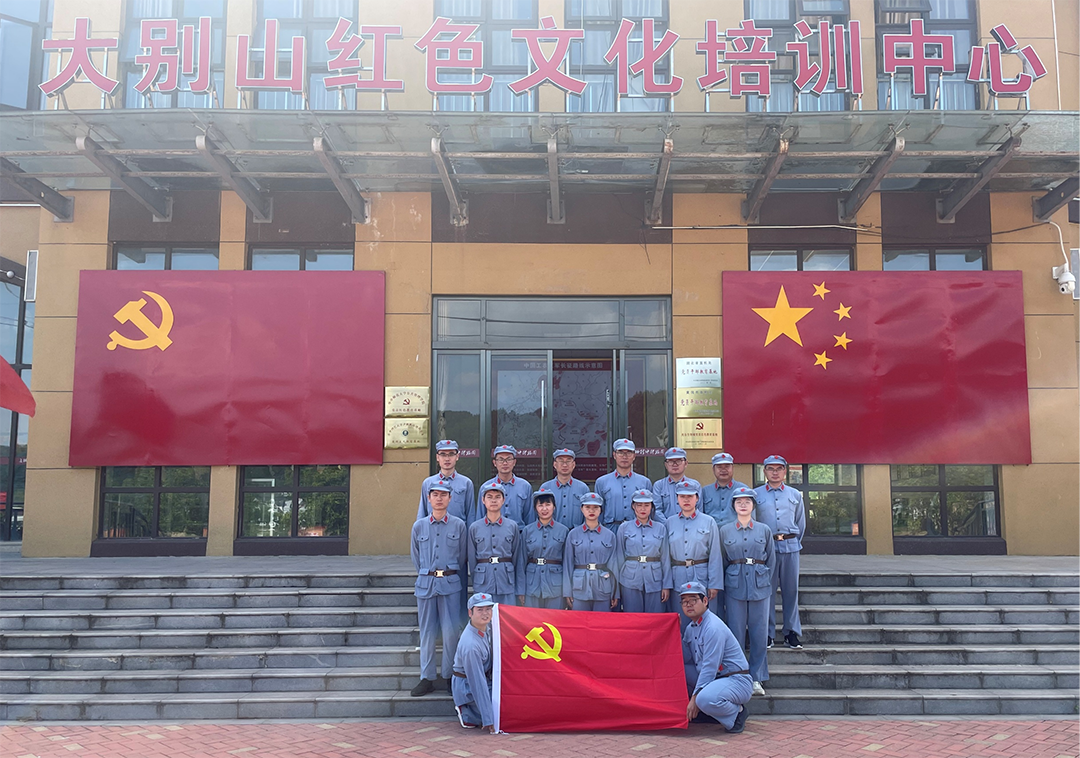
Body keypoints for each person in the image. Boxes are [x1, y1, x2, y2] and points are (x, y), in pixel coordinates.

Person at [410, 480, 468, 697]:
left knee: (450, 632)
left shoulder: (459, 525)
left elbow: (462, 556)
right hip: (426, 584)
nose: (439, 498)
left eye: (444, 495)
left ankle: (449, 675)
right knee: (427, 632)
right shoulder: (419, 526)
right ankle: (427, 677)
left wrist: (447, 572)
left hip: (450, 584)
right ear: (428, 498)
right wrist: (428, 573)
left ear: (450, 499)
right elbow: (416, 557)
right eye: (435, 495)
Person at [720, 486, 774, 697]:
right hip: (735, 585)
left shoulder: (764, 530)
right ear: (733, 506)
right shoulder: (725, 531)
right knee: (735, 632)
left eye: (747, 501)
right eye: (739, 502)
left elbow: (771, 560)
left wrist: (765, 580)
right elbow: (722, 560)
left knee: (759, 632)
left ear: (754, 505)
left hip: (760, 585)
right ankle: (738, 675)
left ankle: (756, 677)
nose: (743, 505)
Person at [679, 581, 752, 734]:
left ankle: (737, 713)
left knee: (703, 699)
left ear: (705, 601)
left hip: (735, 680)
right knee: (677, 672)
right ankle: (709, 713)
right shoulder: (691, 628)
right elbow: (685, 659)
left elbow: (710, 667)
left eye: (693, 600)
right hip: (715, 680)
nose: (688, 605)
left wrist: (694, 699)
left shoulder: (712, 627)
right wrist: (675, 631)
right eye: (684, 601)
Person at [754, 454, 805, 650]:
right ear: (764, 471)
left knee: (791, 590)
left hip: (790, 547)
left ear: (785, 471)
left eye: (779, 468)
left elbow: (800, 522)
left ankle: (791, 632)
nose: (775, 472)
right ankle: (767, 633)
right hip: (767, 549)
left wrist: (793, 541)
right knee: (767, 591)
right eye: (771, 469)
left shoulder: (795, 494)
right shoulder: (756, 494)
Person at [666, 480, 722, 627]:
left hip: (701, 577)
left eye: (690, 496)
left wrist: (714, 583)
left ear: (697, 498)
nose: (686, 500)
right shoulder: (669, 523)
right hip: (678, 578)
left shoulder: (709, 521)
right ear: (677, 498)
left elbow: (715, 555)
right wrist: (666, 584)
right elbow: (665, 557)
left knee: (705, 622)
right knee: (681, 622)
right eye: (682, 496)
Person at [615, 489, 671, 613]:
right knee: (633, 617)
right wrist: (617, 588)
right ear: (633, 506)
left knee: (655, 618)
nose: (643, 508)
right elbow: (619, 557)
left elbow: (665, 558)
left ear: (652, 507)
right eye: (639, 505)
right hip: (630, 579)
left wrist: (666, 585)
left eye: (646, 505)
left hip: (655, 579)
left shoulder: (660, 528)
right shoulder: (624, 528)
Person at [468, 481, 521, 606]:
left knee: (506, 615)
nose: (493, 500)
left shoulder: (512, 526)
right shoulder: (475, 528)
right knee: (485, 615)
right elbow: (472, 559)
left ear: (503, 500)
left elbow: (517, 557)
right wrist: (477, 578)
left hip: (506, 580)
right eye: (489, 497)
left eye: (497, 497)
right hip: (483, 581)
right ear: (483, 500)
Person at [563, 492, 619, 611]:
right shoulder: (573, 534)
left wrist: (616, 592)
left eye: (595, 507)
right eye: (587, 507)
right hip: (579, 587)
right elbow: (568, 564)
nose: (591, 511)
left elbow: (614, 566)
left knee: (601, 620)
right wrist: (567, 591)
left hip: (603, 587)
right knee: (579, 620)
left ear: (600, 510)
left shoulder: (609, 535)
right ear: (581, 509)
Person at [517, 487, 569, 609]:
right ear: (535, 508)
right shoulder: (527, 530)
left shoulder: (563, 531)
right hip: (532, 584)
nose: (544, 509)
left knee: (554, 619)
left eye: (548, 504)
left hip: (556, 585)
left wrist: (567, 591)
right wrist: (520, 590)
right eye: (540, 505)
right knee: (533, 619)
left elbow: (567, 563)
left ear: (554, 507)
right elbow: (521, 561)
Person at [452, 592, 495, 732]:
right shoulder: (470, 645)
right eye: (480, 610)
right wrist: (489, 719)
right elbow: (477, 683)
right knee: (502, 708)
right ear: (470, 613)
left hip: (484, 679)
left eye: (488, 609)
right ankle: (468, 714)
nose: (485, 614)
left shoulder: (487, 627)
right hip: (468, 686)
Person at [594, 438, 653, 530]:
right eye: (620, 453)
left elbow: (650, 511)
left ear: (634, 456)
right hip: (610, 529)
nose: (624, 457)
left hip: (637, 529)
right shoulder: (602, 482)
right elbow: (598, 510)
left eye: (629, 453)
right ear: (614, 455)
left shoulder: (644, 482)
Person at [417, 439, 475, 523]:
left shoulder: (466, 483)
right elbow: (422, 512)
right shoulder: (428, 483)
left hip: (458, 530)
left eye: (451, 454)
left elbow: (470, 514)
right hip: (433, 529)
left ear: (457, 456)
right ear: (437, 457)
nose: (447, 459)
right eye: (443, 454)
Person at [477, 445, 532, 524]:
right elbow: (480, 518)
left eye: (509, 459)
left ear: (514, 462)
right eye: (501, 459)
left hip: (519, 530)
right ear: (494, 463)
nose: (505, 463)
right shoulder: (485, 487)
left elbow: (529, 517)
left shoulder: (525, 486)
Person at [534, 448, 589, 528]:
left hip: (576, 533)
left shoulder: (583, 488)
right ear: (555, 464)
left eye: (568, 461)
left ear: (573, 465)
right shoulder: (546, 487)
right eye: (561, 461)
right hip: (552, 532)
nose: (565, 465)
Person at [701, 452, 747, 530]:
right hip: (711, 533)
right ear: (713, 469)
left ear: (733, 468)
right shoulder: (705, 491)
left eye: (727, 466)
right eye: (719, 467)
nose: (723, 470)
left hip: (735, 533)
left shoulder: (743, 490)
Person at [653, 447, 701, 520]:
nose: (675, 464)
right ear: (666, 465)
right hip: (666, 526)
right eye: (671, 461)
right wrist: (670, 524)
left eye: (679, 461)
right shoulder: (659, 485)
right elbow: (657, 511)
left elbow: (699, 510)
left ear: (686, 463)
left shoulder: (695, 485)